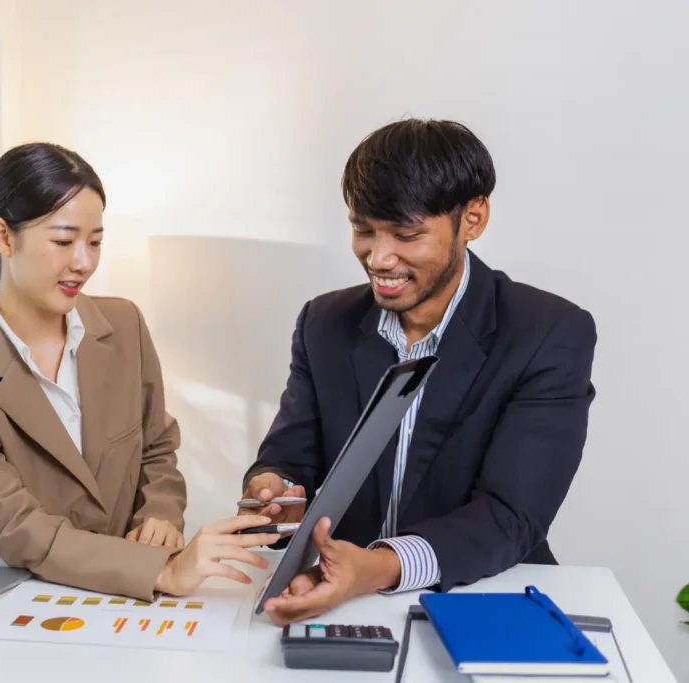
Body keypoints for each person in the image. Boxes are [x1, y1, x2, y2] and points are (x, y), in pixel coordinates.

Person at [240, 118, 597, 625]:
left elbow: (512, 516)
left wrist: (378, 567)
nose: (378, 257)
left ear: (473, 218)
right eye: (363, 230)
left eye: (406, 234)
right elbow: (290, 455)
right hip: (342, 596)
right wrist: (274, 488)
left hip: (485, 595)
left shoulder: (548, 332)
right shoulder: (323, 322)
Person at [0, 142, 278, 602]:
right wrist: (160, 571)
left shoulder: (123, 325)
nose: (84, 263)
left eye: (95, 242)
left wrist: (161, 515)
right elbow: (14, 527)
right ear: (4, 236)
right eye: (63, 241)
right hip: (19, 599)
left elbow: (157, 447)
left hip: (122, 603)